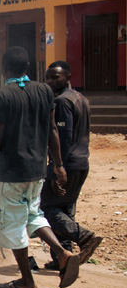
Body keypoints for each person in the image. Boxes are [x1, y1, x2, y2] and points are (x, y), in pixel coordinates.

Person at [0, 46, 79, 288]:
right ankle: (62, 252)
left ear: (3, 69)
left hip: (12, 173)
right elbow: (52, 131)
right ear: (28, 67)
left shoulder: (1, 97)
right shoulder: (45, 91)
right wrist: (58, 165)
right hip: (37, 170)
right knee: (33, 215)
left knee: (13, 224)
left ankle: (27, 280)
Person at [39, 61, 102, 270]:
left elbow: (62, 136)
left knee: (47, 207)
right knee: (64, 208)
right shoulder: (81, 99)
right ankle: (61, 259)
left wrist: (58, 167)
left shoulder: (63, 102)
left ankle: (83, 237)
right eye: (47, 77)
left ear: (68, 76)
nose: (49, 81)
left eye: (54, 77)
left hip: (67, 163)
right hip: (82, 162)